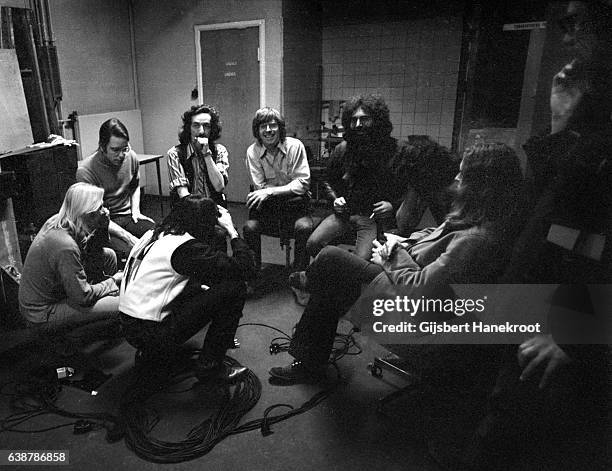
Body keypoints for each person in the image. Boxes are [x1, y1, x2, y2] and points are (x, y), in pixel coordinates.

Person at [460, 5, 612, 467]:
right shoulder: (597, 108)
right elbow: (554, 203)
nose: (567, 38)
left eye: (579, 22)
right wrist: (562, 124)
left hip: (575, 314)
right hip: (543, 294)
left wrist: (575, 332)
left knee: (513, 440)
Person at [270, 143, 524, 383]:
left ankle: (309, 289)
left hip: (416, 313)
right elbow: (433, 233)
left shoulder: (477, 240)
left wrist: (393, 256)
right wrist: (400, 241)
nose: (456, 181)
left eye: (462, 175)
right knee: (332, 274)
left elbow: (421, 291)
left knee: (330, 260)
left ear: (483, 186)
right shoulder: (474, 217)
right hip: (404, 275)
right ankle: (311, 333)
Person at [119, 195, 256, 382]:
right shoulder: (186, 248)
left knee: (205, 288)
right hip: (149, 333)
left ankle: (152, 354)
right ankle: (210, 368)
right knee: (234, 288)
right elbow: (246, 269)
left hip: (129, 324)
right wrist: (232, 231)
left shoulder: (156, 233)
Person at [306, 95, 404, 261]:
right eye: (354, 120)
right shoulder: (342, 149)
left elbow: (407, 189)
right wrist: (335, 200)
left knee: (360, 262)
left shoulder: (393, 150)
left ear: (377, 121)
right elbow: (327, 180)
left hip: (371, 219)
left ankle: (346, 275)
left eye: (364, 119)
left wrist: (392, 205)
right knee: (313, 244)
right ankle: (337, 272)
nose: (358, 125)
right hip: (344, 215)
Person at [18, 182, 122, 332]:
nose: (105, 210)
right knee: (120, 303)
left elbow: (92, 252)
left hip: (56, 291)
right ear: (88, 213)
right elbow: (83, 296)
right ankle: (73, 334)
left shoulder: (62, 220)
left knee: (108, 256)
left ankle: (102, 304)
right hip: (42, 314)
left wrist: (103, 226)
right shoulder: (64, 245)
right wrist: (112, 282)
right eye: (100, 207)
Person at [243, 107, 314, 272]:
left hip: (296, 208)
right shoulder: (252, 152)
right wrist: (288, 188)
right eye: (263, 126)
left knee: (304, 228)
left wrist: (269, 191)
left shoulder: (295, 146)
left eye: (273, 125)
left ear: (280, 128)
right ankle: (254, 274)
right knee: (249, 228)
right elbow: (259, 185)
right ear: (257, 130)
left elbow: (303, 183)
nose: (268, 130)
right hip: (268, 210)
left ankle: (299, 275)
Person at [76, 118, 154, 263]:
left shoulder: (131, 156)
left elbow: (135, 185)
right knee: (136, 254)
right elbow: (95, 215)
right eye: (115, 150)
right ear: (102, 147)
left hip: (128, 216)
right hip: (104, 224)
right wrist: (127, 237)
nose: (121, 155)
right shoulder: (86, 170)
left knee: (158, 238)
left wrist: (136, 211)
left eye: (125, 148)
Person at [167, 104, 229, 208]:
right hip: (187, 210)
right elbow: (183, 194)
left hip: (214, 207)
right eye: (196, 125)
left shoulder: (220, 150)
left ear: (212, 129)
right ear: (189, 128)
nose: (201, 131)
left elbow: (219, 187)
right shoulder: (175, 154)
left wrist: (207, 155)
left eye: (206, 126)